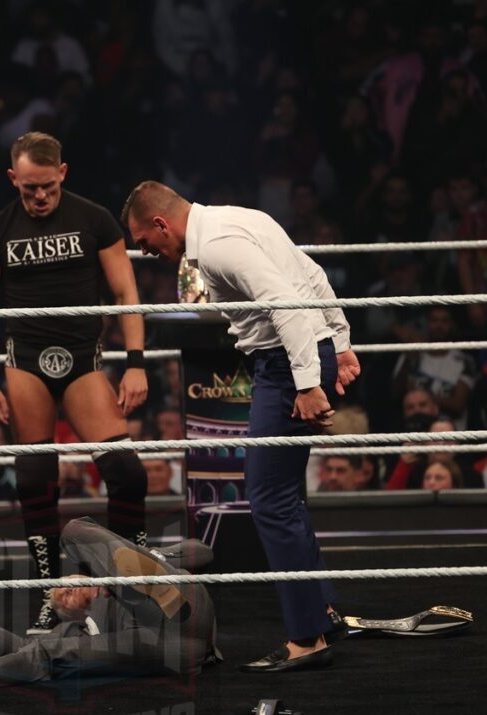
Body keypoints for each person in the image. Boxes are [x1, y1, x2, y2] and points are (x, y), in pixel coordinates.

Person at [122, 180, 359, 672]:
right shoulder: (238, 217)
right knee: (284, 493)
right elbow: (309, 275)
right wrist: (339, 341)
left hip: (288, 364)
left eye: (147, 241)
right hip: (299, 356)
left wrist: (310, 382)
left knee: (269, 498)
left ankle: (306, 639)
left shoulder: (216, 247)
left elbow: (286, 303)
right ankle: (323, 613)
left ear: (162, 224)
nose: (148, 252)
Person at [0, 132, 149, 634]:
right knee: (33, 479)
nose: (40, 197)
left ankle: (129, 588)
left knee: (129, 474)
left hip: (81, 358)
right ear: (13, 180)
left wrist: (136, 362)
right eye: (29, 189)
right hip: (23, 358)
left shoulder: (94, 219)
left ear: (63, 174)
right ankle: (53, 594)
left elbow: (124, 289)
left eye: (47, 187)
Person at [0, 517, 216, 695]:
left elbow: (204, 549)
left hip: (187, 610)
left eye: (65, 586)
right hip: (158, 649)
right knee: (51, 655)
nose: (65, 593)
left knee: (75, 529)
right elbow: (25, 651)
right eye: (63, 600)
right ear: (72, 615)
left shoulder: (129, 572)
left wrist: (152, 557)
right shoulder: (73, 632)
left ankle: (144, 582)